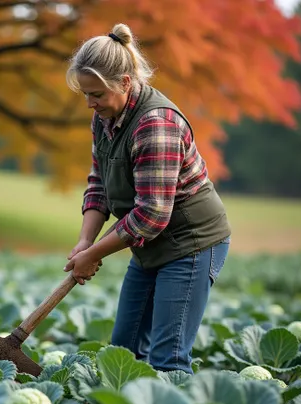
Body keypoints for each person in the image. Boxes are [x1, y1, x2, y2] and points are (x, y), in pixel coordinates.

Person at [63, 23, 231, 375]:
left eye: (97, 94)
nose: (90, 104)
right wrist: (85, 242)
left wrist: (94, 255)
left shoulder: (155, 124)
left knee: (167, 359)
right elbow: (100, 185)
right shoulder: (104, 117)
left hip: (191, 242)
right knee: (122, 353)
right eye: (85, 94)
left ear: (124, 82)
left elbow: (152, 214)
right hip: (148, 244)